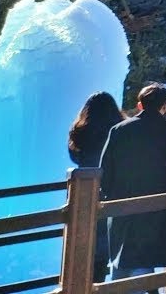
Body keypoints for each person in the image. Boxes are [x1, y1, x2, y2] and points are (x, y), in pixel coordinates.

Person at [99, 83, 166, 293]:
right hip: (158, 210)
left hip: (122, 208)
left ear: (140, 105)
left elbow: (105, 172)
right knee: (144, 260)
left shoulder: (119, 131)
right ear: (165, 106)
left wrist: (112, 198)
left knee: (122, 261)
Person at [68, 91, 125, 283]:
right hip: (113, 198)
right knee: (109, 252)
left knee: (89, 259)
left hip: (86, 197)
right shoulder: (120, 132)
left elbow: (75, 156)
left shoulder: (80, 133)